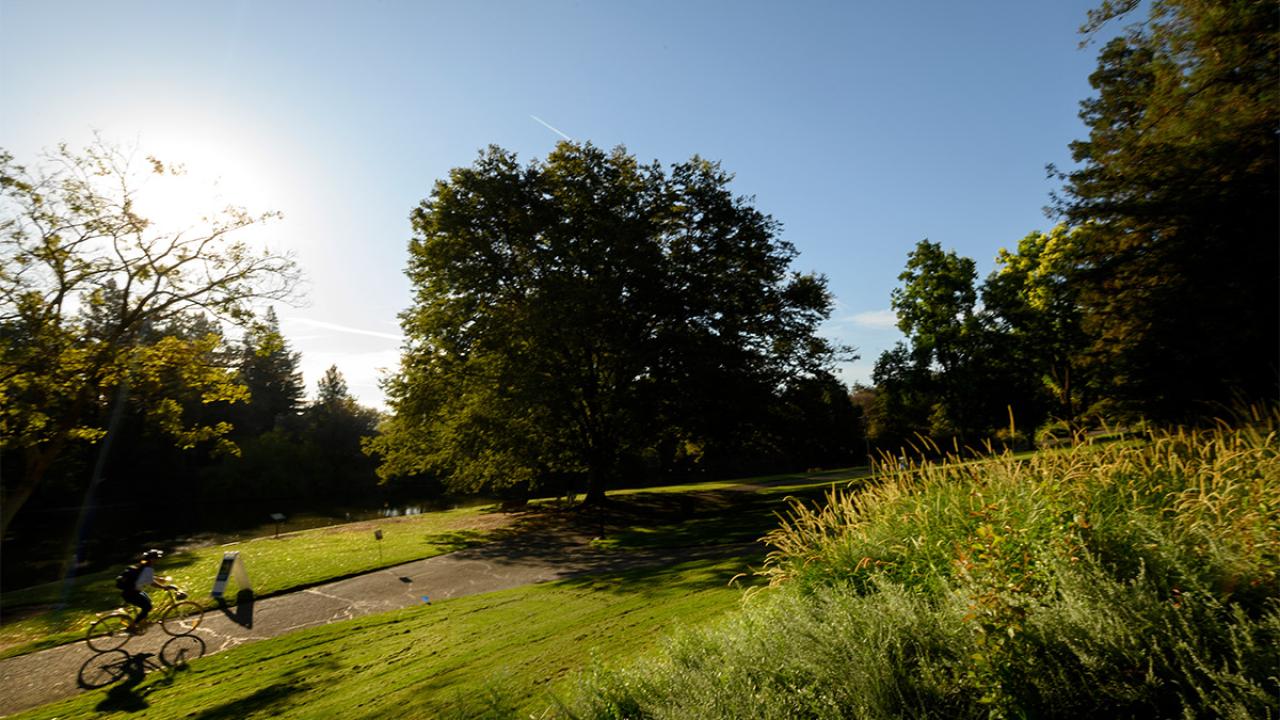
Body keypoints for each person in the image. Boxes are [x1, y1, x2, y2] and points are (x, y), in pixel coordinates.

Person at [115, 549, 180, 632]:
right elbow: (151, 582)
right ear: (152, 559)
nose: (158, 560)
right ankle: (132, 626)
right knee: (147, 607)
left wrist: (158, 578)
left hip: (131, 592)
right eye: (157, 558)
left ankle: (142, 622)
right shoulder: (148, 568)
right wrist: (164, 587)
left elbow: (144, 576)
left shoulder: (142, 564)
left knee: (148, 600)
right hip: (132, 594)